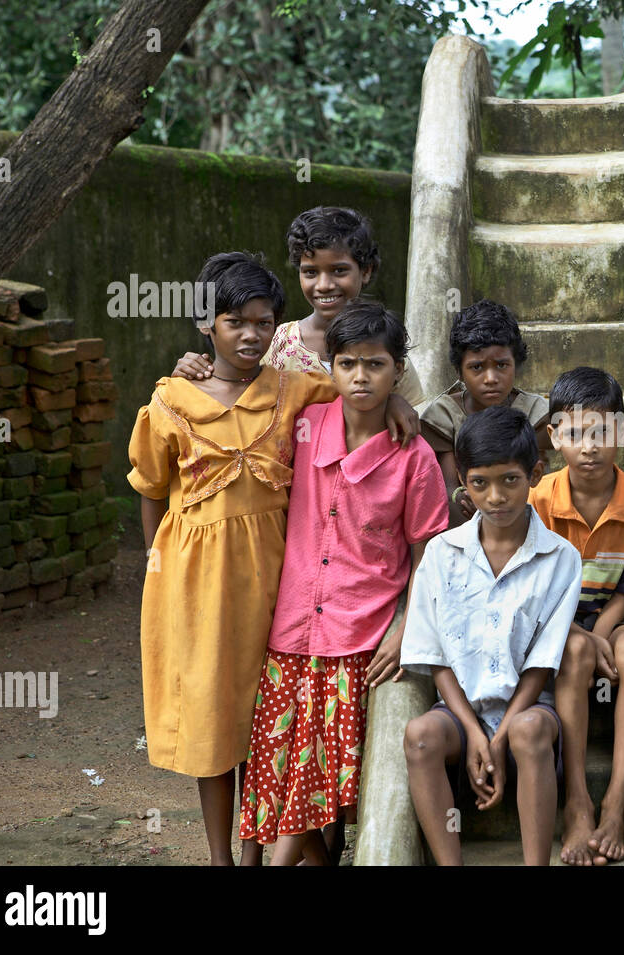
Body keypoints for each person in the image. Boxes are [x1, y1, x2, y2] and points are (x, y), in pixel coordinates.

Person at [128, 252, 340, 865]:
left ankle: (255, 857)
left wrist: (403, 407)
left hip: (279, 577)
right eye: (235, 322)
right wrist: (156, 566)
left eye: (264, 322)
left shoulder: (295, 387)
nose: (251, 335)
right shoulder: (172, 398)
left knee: (266, 718)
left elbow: (361, 397)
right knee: (213, 720)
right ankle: (221, 858)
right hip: (195, 584)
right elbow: (148, 486)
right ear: (205, 325)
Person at [236, 303, 448, 865]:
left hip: (362, 634)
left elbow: (429, 551)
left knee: (321, 774)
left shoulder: (416, 456)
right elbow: (242, 382)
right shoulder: (302, 425)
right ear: (328, 366)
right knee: (276, 764)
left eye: (376, 365)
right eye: (348, 363)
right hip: (290, 628)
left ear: (397, 370)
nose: (360, 376)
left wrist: (406, 625)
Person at [400, 405, 581, 866]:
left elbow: (542, 665)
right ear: (463, 479)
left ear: (536, 474)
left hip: (529, 709)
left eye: (509, 481)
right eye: (480, 483)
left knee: (529, 729)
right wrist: (478, 736)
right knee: (420, 735)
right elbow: (435, 658)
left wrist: (498, 740)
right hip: (460, 713)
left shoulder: (560, 557)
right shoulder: (442, 554)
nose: (496, 496)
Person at [531, 367, 624, 866]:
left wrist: (602, 632)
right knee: (577, 647)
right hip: (554, 623)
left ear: (622, 432)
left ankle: (617, 800)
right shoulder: (538, 500)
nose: (589, 447)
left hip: (609, 613)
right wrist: (582, 636)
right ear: (554, 435)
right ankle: (578, 800)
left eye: (601, 432)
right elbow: (537, 591)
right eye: (575, 433)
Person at [173, 205, 425, 404]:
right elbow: (233, 388)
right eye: (311, 272)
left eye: (339, 270)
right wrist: (194, 372)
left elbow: (415, 418)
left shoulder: (386, 345)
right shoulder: (276, 343)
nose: (324, 285)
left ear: (366, 271)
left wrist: (395, 404)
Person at [418, 299, 551, 525]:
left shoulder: (535, 412)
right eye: (477, 367)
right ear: (460, 372)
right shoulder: (445, 415)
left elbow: (539, 481)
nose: (491, 379)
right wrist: (460, 495)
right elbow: (448, 485)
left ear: (515, 365)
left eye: (501, 365)